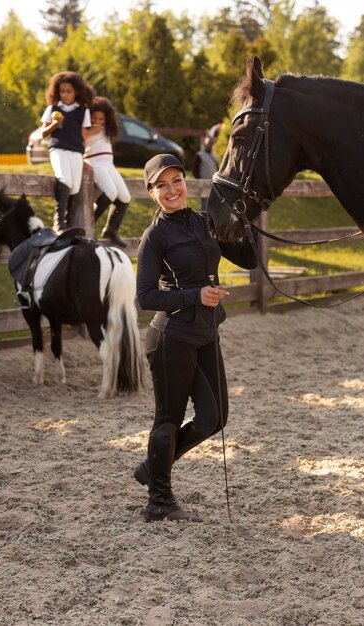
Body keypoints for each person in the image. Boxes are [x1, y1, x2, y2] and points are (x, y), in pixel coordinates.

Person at [135, 154, 258, 523]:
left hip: (205, 332)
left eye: (176, 181)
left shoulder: (206, 222)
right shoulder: (154, 237)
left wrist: (242, 220)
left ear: (186, 183)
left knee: (215, 416)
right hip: (171, 336)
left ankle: (154, 465)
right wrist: (195, 296)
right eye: (162, 185)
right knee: (168, 420)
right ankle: (159, 502)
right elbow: (145, 297)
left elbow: (249, 259)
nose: (171, 190)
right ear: (152, 192)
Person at [40, 71, 98, 233]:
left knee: (75, 188)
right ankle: (59, 224)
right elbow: (43, 133)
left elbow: (83, 135)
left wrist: (85, 157)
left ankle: (70, 225)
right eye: (61, 91)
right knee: (64, 179)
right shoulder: (52, 109)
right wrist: (55, 124)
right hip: (57, 149)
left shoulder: (83, 111)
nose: (64, 95)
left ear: (77, 91)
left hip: (76, 152)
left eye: (68, 91)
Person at [83, 96, 131, 248]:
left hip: (109, 164)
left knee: (125, 197)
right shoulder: (85, 130)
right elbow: (79, 144)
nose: (98, 121)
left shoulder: (108, 130)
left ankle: (111, 229)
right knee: (110, 192)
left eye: (101, 118)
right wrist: (90, 132)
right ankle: (88, 225)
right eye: (94, 118)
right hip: (94, 162)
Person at [192, 135, 219, 211]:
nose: (209, 145)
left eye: (211, 143)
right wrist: (199, 180)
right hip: (203, 183)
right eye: (208, 143)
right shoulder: (199, 155)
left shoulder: (215, 156)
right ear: (205, 144)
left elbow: (218, 169)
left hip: (213, 183)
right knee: (205, 204)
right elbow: (195, 169)